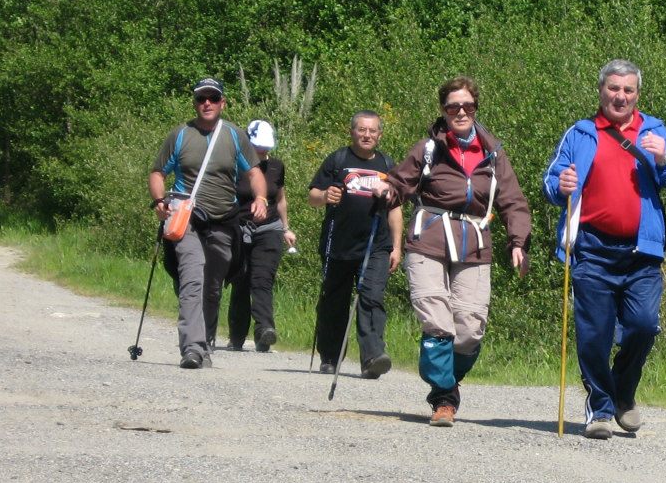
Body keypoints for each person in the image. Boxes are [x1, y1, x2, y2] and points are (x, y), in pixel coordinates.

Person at [542, 59, 666, 439]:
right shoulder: (580, 134)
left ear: (637, 94)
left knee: (643, 326)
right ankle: (600, 409)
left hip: (642, 253)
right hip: (592, 249)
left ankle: (623, 392)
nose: (620, 96)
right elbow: (550, 182)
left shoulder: (655, 130)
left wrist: (663, 159)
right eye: (613, 88)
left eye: (628, 90)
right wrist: (560, 185)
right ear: (601, 91)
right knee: (594, 334)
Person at [377, 76, 531, 427]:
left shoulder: (493, 153)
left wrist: (518, 242)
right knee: (437, 321)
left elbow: (513, 201)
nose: (461, 112)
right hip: (429, 238)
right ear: (443, 111)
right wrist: (387, 192)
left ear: (476, 108)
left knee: (470, 328)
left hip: (474, 242)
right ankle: (444, 398)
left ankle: (448, 380)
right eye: (453, 107)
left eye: (467, 106)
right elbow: (400, 182)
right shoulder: (427, 149)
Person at [149, 78, 267, 369]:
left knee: (212, 287)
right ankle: (191, 348)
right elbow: (157, 172)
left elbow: (254, 173)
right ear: (194, 103)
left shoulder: (234, 136)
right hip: (186, 218)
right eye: (201, 98)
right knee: (192, 280)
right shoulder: (180, 135)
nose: (207, 103)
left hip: (223, 221)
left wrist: (261, 198)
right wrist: (160, 201)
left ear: (222, 103)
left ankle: (205, 343)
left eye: (213, 98)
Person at [308, 111, 403, 379]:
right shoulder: (337, 160)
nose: (367, 135)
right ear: (352, 132)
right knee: (334, 301)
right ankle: (330, 356)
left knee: (372, 297)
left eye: (372, 131)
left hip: (376, 246)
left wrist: (397, 246)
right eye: (362, 130)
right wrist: (325, 195)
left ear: (380, 135)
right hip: (338, 243)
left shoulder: (387, 165)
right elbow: (312, 196)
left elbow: (396, 209)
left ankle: (373, 357)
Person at [226, 120, 297, 352]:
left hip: (269, 229)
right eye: (258, 147)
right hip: (239, 229)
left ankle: (264, 330)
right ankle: (236, 336)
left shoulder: (276, 167)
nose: (263, 151)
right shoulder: (235, 166)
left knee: (262, 280)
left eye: (266, 147)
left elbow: (281, 199)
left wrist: (286, 228)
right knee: (241, 282)